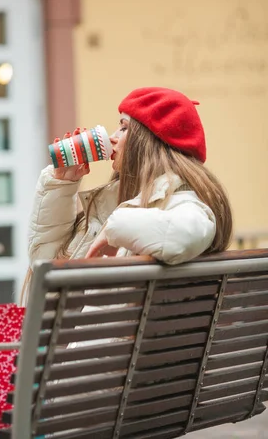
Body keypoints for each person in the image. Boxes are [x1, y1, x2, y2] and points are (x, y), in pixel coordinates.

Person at [23, 87, 233, 301]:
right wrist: (61, 185)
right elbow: (45, 265)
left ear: (150, 143)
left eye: (123, 128)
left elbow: (184, 236)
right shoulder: (118, 202)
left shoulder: (178, 202)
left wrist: (113, 227)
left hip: (85, 332)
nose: (112, 137)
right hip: (73, 328)